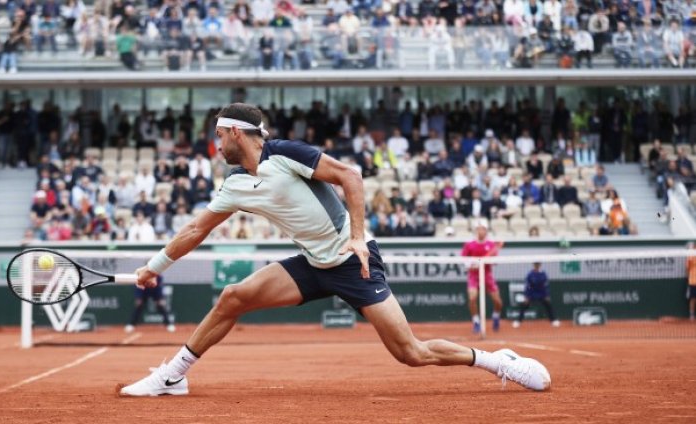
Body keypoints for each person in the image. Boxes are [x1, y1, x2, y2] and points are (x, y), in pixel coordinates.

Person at [120, 103, 551, 397]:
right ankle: (172, 377)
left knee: (411, 353)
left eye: (219, 135)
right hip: (311, 264)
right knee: (232, 298)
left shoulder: (284, 154)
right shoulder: (234, 185)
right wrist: (153, 266)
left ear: (237, 132)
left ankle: (498, 362)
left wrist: (358, 237)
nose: (216, 144)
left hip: (352, 262)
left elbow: (351, 176)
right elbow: (196, 229)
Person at [461, 219, 504, 334]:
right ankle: (476, 321)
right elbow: (464, 260)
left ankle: (496, 316)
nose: (481, 231)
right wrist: (471, 265)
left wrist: (486, 262)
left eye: (483, 229)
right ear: (476, 230)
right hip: (473, 275)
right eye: (479, 229)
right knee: (472, 298)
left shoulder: (491, 245)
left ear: (486, 231)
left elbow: (494, 261)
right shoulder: (469, 244)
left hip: (487, 274)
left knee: (498, 301)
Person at [512, 263, 560, 328]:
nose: (537, 266)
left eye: (538, 264)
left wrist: (546, 295)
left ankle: (553, 320)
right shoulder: (530, 274)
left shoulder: (543, 274)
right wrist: (527, 296)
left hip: (541, 293)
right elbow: (527, 286)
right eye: (535, 264)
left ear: (540, 265)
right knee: (524, 306)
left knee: (548, 305)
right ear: (534, 265)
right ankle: (518, 321)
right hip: (532, 293)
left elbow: (546, 285)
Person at [687, 243, 696, 321]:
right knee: (693, 299)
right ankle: (692, 315)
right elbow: (687, 267)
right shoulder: (691, 256)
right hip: (693, 281)